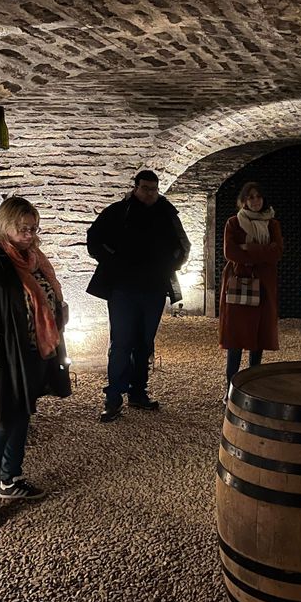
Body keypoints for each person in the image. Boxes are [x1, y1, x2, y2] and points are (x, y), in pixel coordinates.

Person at [0, 197, 71, 530]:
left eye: (33, 228)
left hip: (32, 352)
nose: (29, 233)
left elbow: (47, 297)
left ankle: (10, 479)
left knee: (22, 413)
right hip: (2, 355)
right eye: (22, 227)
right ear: (3, 224)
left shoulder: (32, 258)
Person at [87, 170, 190, 423]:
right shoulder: (118, 212)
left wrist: (170, 266)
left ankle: (136, 392)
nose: (150, 194)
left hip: (153, 288)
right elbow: (94, 240)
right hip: (123, 289)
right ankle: (113, 398)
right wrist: (114, 262)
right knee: (121, 343)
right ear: (135, 188)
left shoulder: (166, 213)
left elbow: (182, 244)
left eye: (154, 189)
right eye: (145, 189)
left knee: (144, 342)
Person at [219, 182, 283, 391]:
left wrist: (249, 249)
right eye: (251, 197)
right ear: (244, 200)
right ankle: (231, 389)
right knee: (236, 336)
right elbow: (231, 252)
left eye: (259, 197)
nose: (255, 201)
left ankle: (253, 388)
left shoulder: (272, 224)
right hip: (240, 281)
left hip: (264, 284)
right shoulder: (234, 223)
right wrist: (263, 251)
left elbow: (278, 252)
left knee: (259, 335)